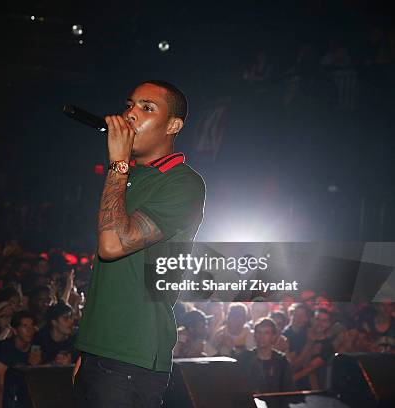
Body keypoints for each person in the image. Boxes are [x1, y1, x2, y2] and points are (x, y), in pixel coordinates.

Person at [74, 80, 206, 408]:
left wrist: (117, 164)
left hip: (132, 358)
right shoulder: (131, 176)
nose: (131, 114)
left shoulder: (183, 183)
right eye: (130, 104)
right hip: (98, 352)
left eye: (147, 108)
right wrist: (86, 348)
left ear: (174, 125)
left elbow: (112, 245)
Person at [237, 318, 295, 394]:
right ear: (254, 335)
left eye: (266, 333)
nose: (261, 337)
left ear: (273, 337)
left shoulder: (281, 361)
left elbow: (288, 390)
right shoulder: (244, 359)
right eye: (259, 332)